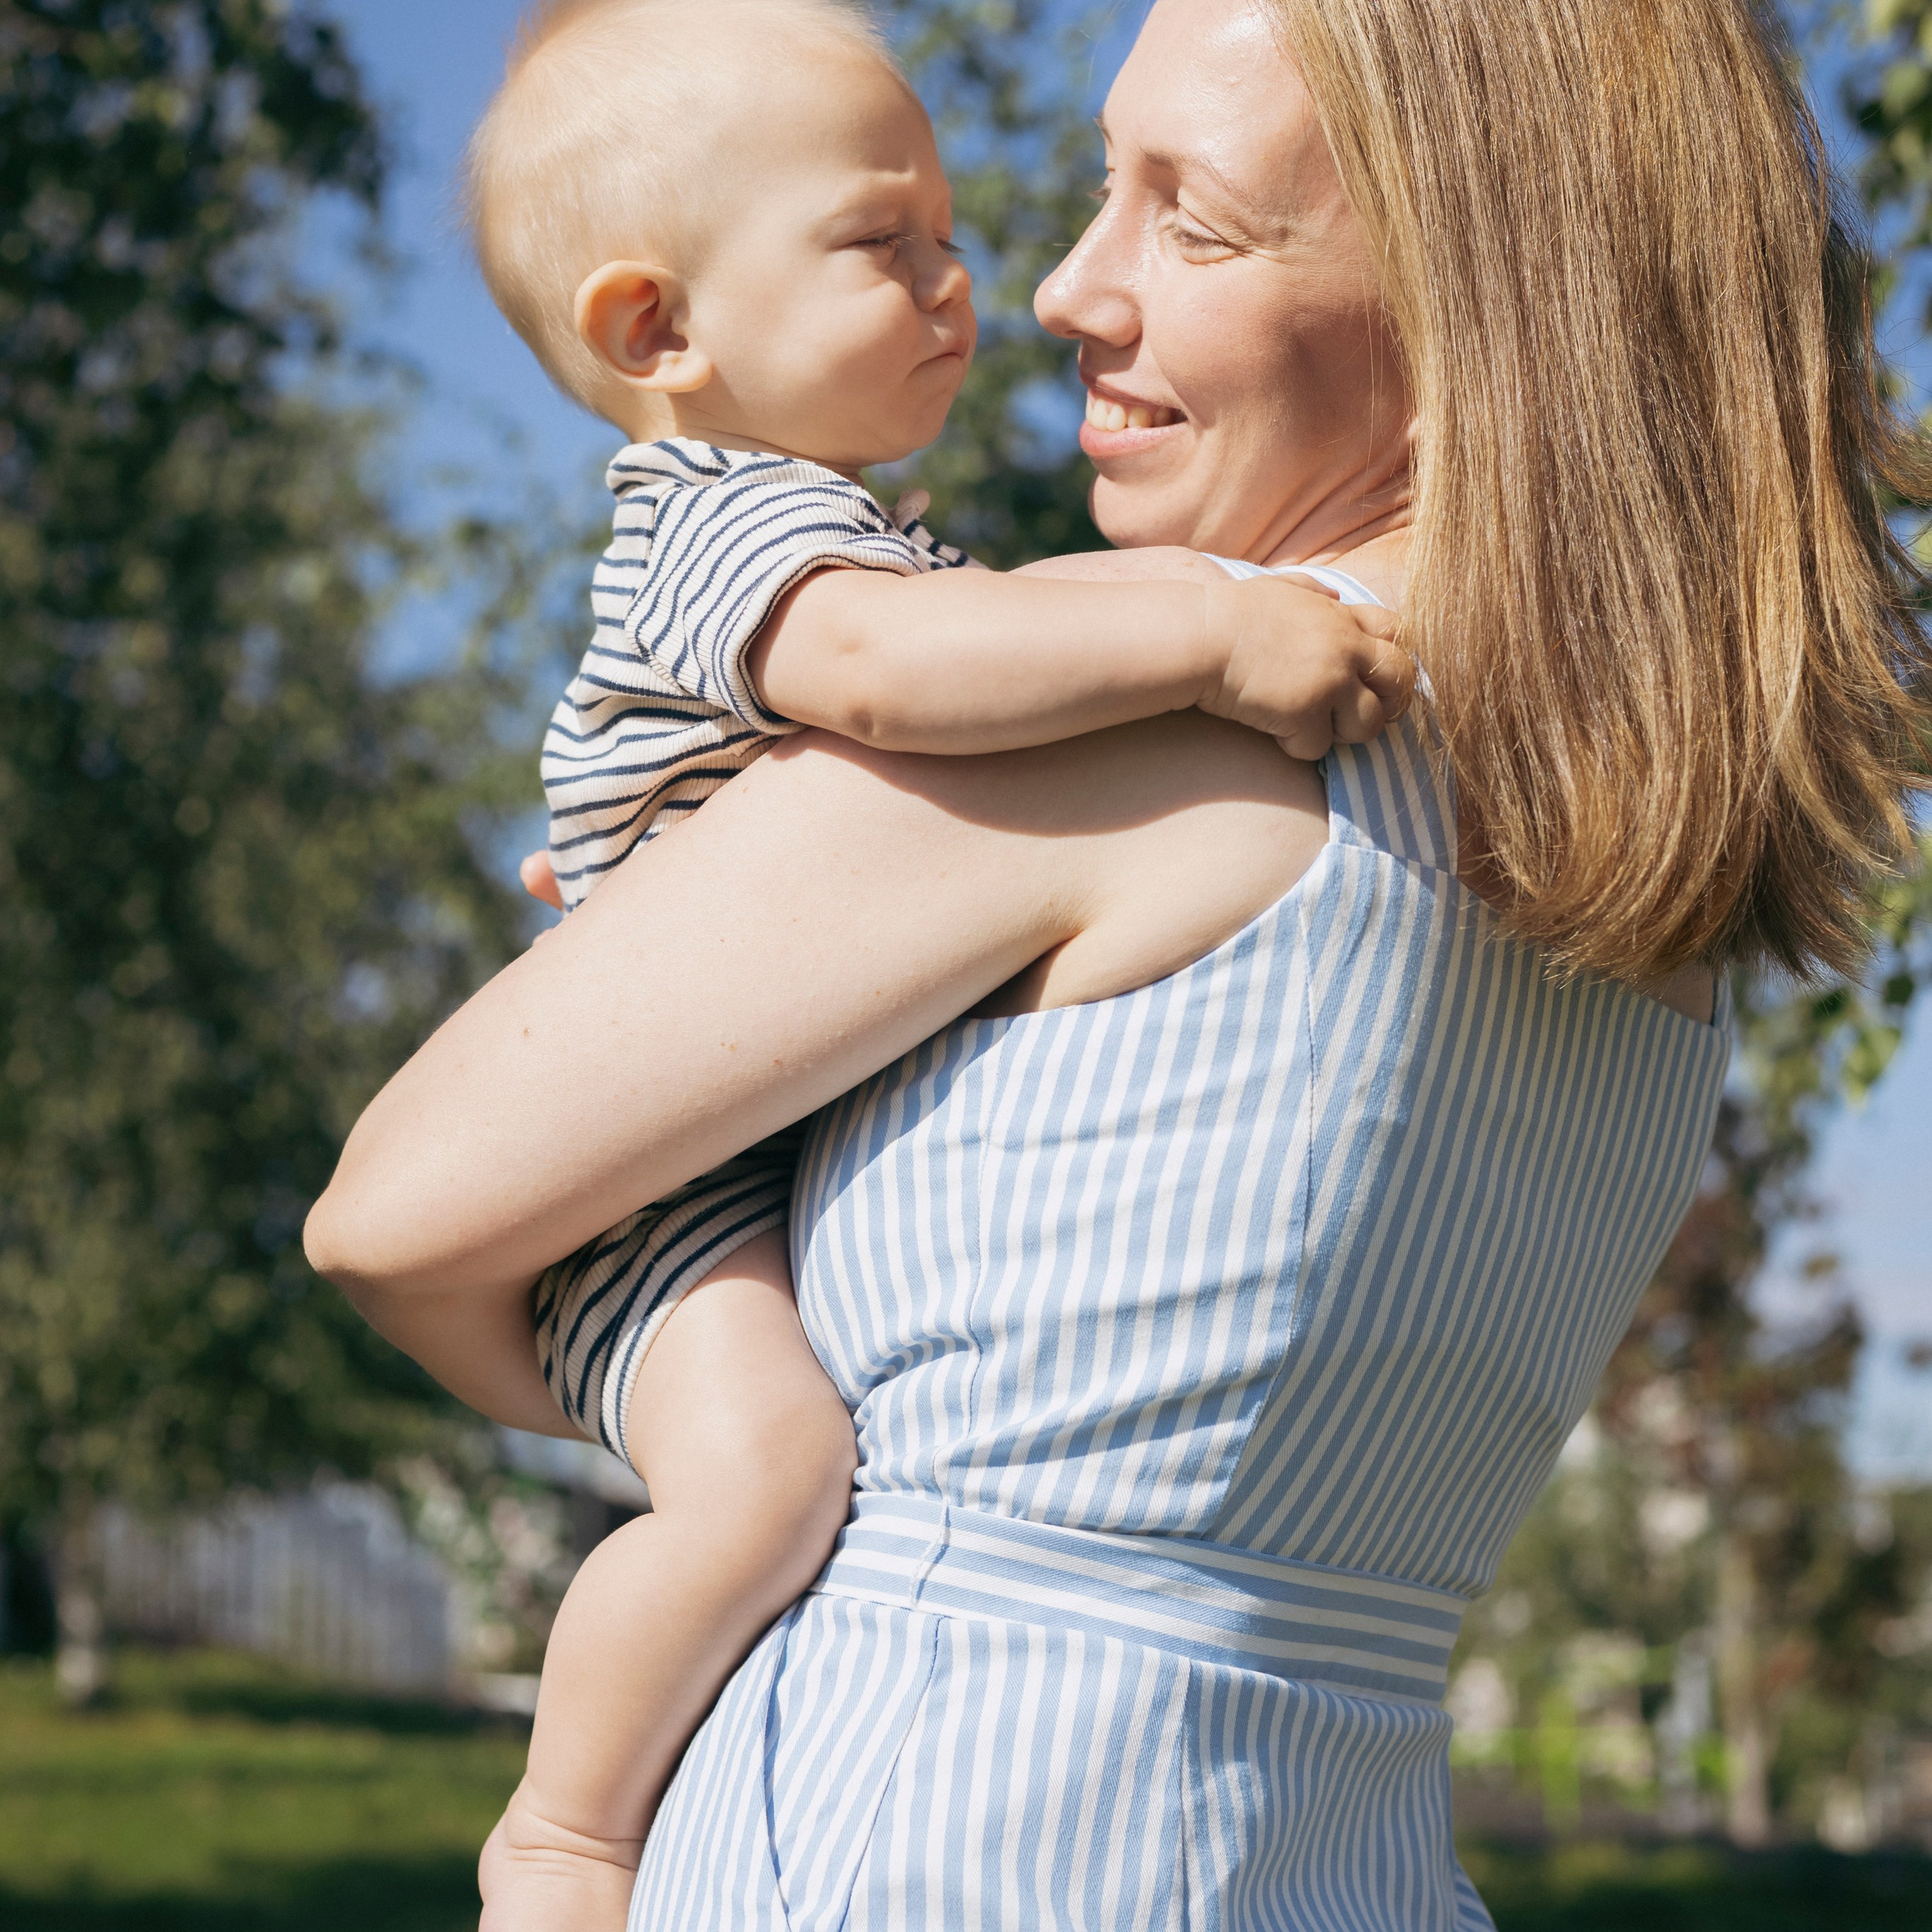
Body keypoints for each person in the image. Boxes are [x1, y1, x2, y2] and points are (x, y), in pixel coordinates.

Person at [306, 0, 1930, 1924]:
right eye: (1103, 185)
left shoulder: (1162, 702)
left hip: (925, 1838)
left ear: (1474, 295)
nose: (1062, 286)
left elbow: (392, 1216)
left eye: (1194, 218)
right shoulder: (1639, 837)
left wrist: (676, 1352)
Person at [454, 2, 1409, 1924]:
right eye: (879, 244)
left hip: (731, 1143)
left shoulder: (848, 535)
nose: (969, 285)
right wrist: (1218, 633)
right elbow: (896, 681)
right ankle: (560, 1830)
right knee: (765, 1475)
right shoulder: (721, 528)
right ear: (662, 333)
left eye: (948, 233)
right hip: (669, 1190)